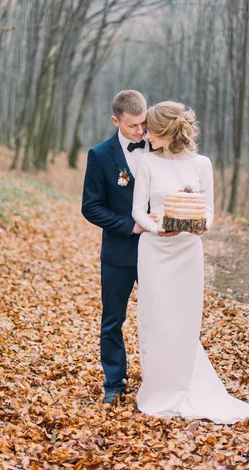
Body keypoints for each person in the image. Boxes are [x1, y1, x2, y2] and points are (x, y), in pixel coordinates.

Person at [132, 101, 249, 423]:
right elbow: (137, 210)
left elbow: (210, 210)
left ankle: (186, 385)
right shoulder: (146, 162)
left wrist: (204, 225)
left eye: (151, 130)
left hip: (188, 251)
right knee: (155, 319)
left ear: (167, 131)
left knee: (183, 320)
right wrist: (155, 227)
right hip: (155, 250)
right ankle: (157, 388)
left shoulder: (202, 164)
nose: (145, 135)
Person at [82, 90, 158, 405]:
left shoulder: (160, 149)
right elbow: (91, 207)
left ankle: (161, 380)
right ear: (116, 121)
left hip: (158, 251)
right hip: (118, 254)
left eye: (143, 124)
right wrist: (130, 225)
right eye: (132, 127)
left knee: (160, 317)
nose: (141, 132)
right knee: (113, 320)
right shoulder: (100, 155)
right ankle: (114, 383)